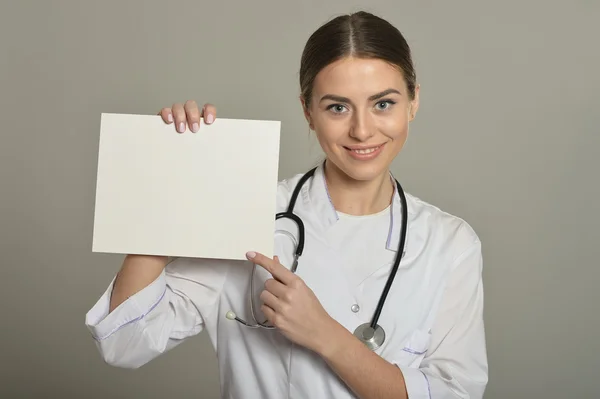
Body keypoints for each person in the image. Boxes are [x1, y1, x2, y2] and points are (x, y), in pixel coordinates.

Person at [85, 10, 488, 399]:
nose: (362, 130)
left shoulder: (450, 243)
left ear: (413, 102)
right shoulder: (249, 212)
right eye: (337, 107)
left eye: (383, 103)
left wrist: (327, 336)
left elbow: (453, 392)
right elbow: (125, 343)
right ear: (308, 111)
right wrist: (170, 183)